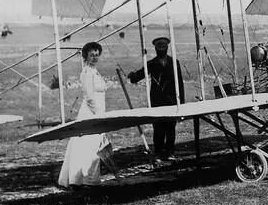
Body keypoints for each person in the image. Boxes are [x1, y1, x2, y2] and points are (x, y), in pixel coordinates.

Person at [57, 41, 118, 188]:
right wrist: (99, 115)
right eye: (92, 55)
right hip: (91, 112)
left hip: (98, 110)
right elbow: (90, 97)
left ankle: (87, 178)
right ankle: (81, 179)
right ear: (86, 56)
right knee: (87, 146)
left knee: (93, 146)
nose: (95, 58)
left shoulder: (94, 71)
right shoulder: (86, 72)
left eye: (97, 55)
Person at [128, 36, 185, 161]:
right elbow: (138, 76)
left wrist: (182, 103)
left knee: (170, 127)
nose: (161, 49)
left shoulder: (175, 63)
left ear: (167, 48)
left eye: (163, 46)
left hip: (171, 100)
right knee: (158, 128)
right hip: (157, 100)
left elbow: (180, 83)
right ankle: (158, 152)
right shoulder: (151, 63)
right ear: (155, 48)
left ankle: (170, 152)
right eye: (159, 47)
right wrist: (132, 76)